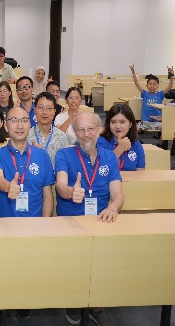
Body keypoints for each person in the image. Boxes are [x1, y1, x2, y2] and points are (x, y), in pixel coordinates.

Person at [55, 112, 124, 325]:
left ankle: (95, 300)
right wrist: (70, 192)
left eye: (90, 129)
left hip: (100, 220)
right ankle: (73, 301)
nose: (86, 134)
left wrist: (113, 207)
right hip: (71, 220)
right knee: (74, 265)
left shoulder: (110, 157)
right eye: (81, 130)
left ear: (99, 130)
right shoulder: (64, 154)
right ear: (75, 132)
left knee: (103, 262)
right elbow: (61, 185)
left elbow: (118, 194)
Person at [0, 106, 55, 218]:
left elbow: (48, 196)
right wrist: (8, 187)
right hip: (5, 222)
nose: (20, 126)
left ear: (30, 125)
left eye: (24, 121)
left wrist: (44, 223)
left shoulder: (42, 155)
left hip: (34, 223)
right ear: (6, 126)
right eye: (14, 121)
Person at [98, 104, 145, 171]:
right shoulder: (101, 143)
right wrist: (120, 149)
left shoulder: (136, 145)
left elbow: (140, 173)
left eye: (122, 122)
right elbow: (100, 169)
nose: (118, 126)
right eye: (113, 122)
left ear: (130, 124)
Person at [27, 92, 69, 168]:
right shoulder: (27, 136)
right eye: (41, 108)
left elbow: (66, 165)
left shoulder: (61, 137)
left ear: (54, 111)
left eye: (49, 108)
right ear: (35, 110)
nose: (45, 112)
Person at [129, 64, 174, 130]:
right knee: (135, 129)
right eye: (150, 84)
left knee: (166, 129)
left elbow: (170, 85)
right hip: (145, 122)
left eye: (154, 84)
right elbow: (137, 83)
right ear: (147, 86)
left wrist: (172, 74)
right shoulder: (145, 94)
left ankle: (162, 138)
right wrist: (133, 72)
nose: (152, 86)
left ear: (158, 86)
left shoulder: (160, 94)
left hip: (157, 122)